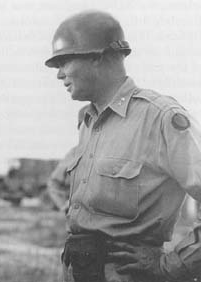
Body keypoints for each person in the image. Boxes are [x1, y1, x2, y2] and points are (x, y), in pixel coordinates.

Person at [45, 10, 201, 282]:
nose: (59, 75)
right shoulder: (87, 121)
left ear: (97, 57)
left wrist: (175, 265)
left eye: (64, 61)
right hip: (77, 268)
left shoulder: (160, 118)